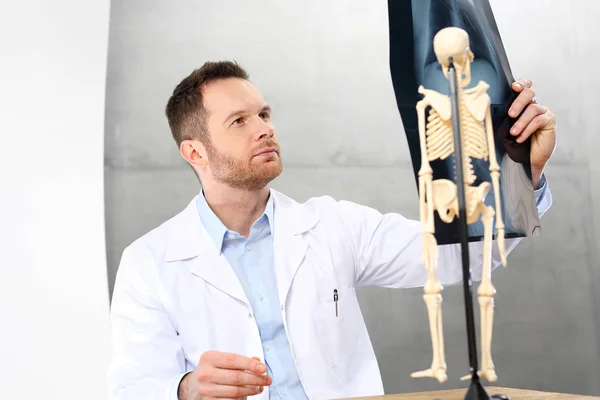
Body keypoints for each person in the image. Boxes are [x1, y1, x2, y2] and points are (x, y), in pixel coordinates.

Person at [107, 61, 556, 400]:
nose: (265, 129)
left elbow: (461, 256)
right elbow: (132, 386)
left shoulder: (331, 226)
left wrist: (523, 175)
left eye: (264, 114)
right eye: (239, 121)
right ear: (195, 152)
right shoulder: (149, 262)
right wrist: (185, 389)